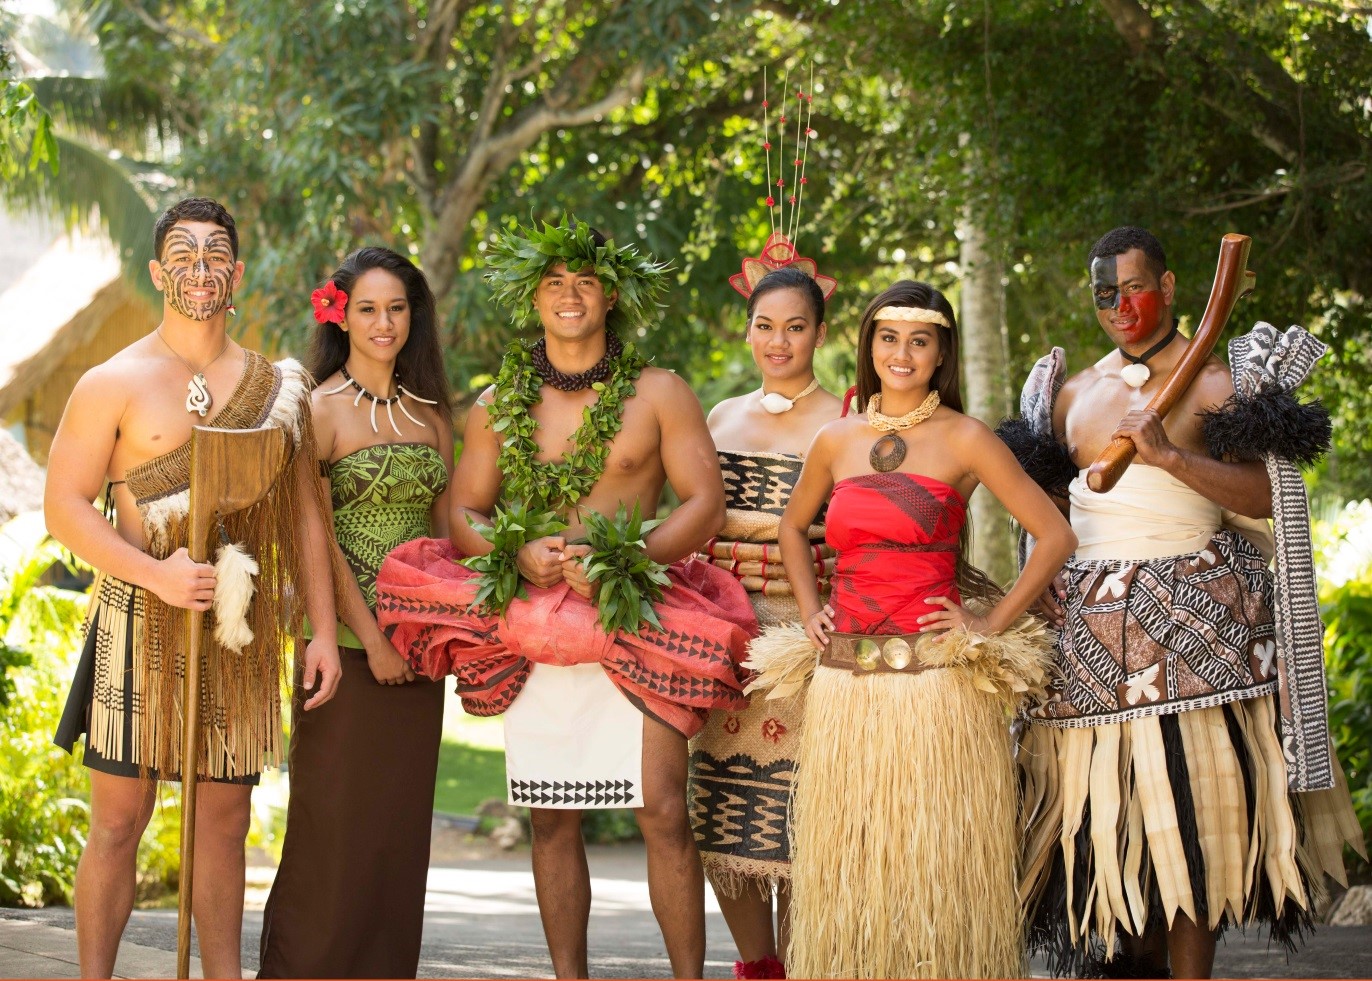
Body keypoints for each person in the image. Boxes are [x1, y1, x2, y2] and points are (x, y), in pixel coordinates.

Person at [375, 215, 756, 979]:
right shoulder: (497, 402)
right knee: (552, 816)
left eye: (585, 281)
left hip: (636, 612)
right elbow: (463, 512)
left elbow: (704, 502)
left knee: (663, 809)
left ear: (610, 295)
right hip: (537, 622)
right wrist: (513, 550)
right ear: (534, 297)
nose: (570, 295)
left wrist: (629, 554)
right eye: (554, 282)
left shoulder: (659, 392)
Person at [1001, 225, 1365, 978]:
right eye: (1106, 293)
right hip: (1088, 636)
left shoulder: (1217, 384)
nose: (1121, 306)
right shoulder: (1073, 392)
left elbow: (1266, 495)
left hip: (1198, 626)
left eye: (1134, 288)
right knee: (1113, 832)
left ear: (1168, 288)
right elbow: (1044, 510)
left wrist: (1169, 455)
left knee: (1190, 824)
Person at [744, 279, 1076, 979]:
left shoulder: (965, 437)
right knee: (854, 861)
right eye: (888, 337)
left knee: (940, 863)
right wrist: (810, 607)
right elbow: (792, 528)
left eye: (919, 340)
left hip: (939, 688)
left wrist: (989, 619)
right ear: (869, 345)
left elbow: (1053, 535)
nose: (902, 353)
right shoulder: (836, 439)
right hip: (846, 684)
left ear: (940, 353)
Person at [46, 196, 341, 979]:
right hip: (136, 616)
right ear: (157, 271)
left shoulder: (275, 385)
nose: (200, 265)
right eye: (183, 251)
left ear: (237, 272)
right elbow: (65, 505)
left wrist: (319, 630)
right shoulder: (112, 381)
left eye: (216, 251)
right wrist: (156, 574)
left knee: (224, 820)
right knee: (118, 822)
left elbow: (309, 515)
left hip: (232, 623)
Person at [258, 247, 454, 978]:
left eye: (397, 307)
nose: (384, 322)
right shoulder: (318, 410)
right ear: (340, 314)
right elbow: (318, 541)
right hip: (342, 651)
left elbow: (446, 541)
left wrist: (452, 636)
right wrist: (368, 639)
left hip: (422, 659)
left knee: (396, 843)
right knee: (332, 837)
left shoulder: (434, 417)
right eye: (368, 308)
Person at [687, 262, 841, 980]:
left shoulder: (846, 419)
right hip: (729, 634)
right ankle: (758, 966)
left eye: (796, 326)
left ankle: (806, 963)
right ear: (747, 328)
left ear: (821, 331)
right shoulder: (718, 418)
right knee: (723, 805)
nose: (778, 341)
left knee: (801, 817)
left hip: (811, 635)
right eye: (765, 325)